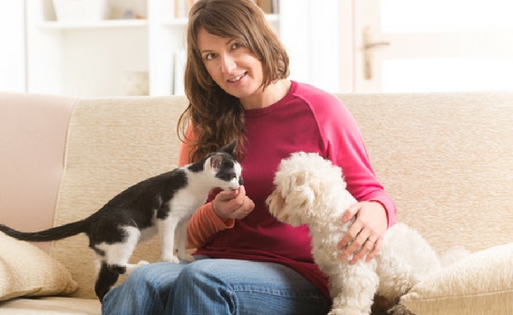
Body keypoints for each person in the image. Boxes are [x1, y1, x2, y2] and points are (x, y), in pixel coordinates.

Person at [102, 0, 396, 314]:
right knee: (142, 279)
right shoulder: (204, 125)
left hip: (298, 272)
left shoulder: (320, 111)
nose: (226, 67)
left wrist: (378, 211)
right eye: (211, 56)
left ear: (260, 39)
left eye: (236, 46)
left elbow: (370, 193)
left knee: (204, 279)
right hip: (210, 264)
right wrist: (215, 212)